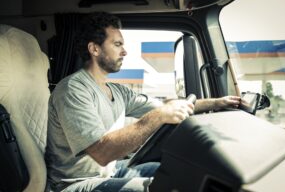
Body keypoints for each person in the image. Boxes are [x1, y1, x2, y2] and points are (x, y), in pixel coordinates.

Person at [45, 12, 241, 192]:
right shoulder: (73, 89)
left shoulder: (117, 91)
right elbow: (102, 152)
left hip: (110, 171)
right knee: (160, 188)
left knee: (170, 172)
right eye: (117, 44)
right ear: (94, 49)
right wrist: (158, 116)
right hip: (75, 184)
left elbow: (164, 105)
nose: (125, 52)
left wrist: (218, 102)